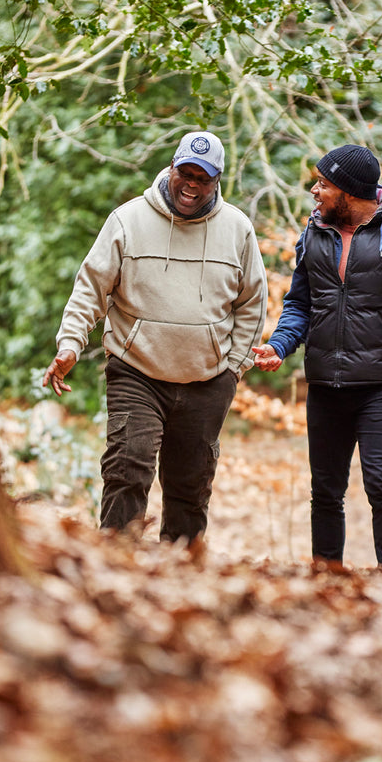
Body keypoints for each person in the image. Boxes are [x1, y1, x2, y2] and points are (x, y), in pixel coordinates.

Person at [43, 130, 267, 546]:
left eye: (204, 177)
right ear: (171, 167)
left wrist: (234, 366)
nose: (193, 184)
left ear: (217, 181)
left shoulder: (237, 229)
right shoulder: (128, 220)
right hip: (137, 371)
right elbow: (91, 288)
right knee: (127, 467)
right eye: (186, 172)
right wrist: (70, 344)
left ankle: (181, 573)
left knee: (191, 485)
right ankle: (114, 560)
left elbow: (252, 301)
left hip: (207, 380)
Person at [252, 144, 382, 572]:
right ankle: (327, 581)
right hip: (325, 384)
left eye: (323, 184)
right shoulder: (313, 233)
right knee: (325, 491)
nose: (314, 190)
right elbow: (301, 303)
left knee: (381, 483)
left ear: (350, 191)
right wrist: (279, 346)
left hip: (381, 384)